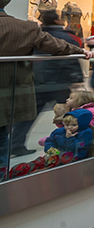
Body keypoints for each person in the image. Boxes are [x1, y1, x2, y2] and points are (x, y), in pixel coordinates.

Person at [9, 10, 84, 157]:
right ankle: (74, 141)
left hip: (38, 81)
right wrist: (76, 79)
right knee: (71, 114)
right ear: (57, 21)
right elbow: (71, 59)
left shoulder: (35, 35)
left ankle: (16, 144)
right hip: (59, 82)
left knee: (28, 115)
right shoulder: (64, 36)